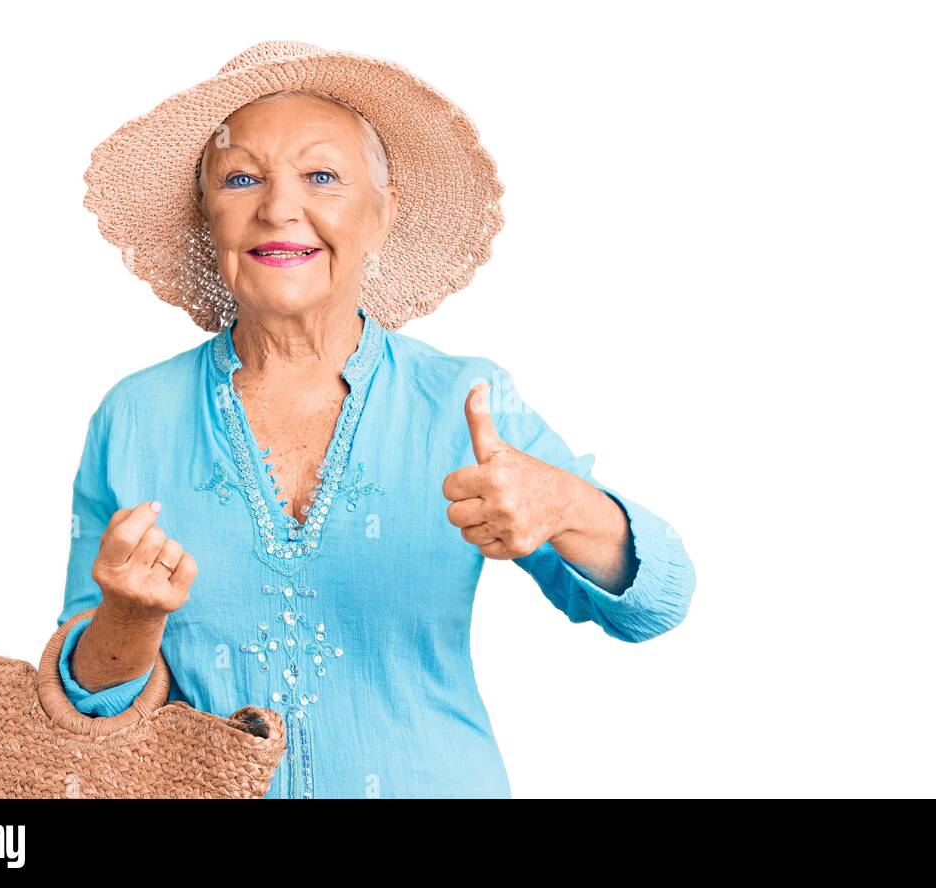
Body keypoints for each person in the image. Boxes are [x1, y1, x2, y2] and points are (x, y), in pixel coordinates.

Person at [62, 40, 696, 798]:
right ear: (210, 220)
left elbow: (657, 603)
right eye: (241, 179)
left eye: (321, 176)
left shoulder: (465, 401)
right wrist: (128, 620)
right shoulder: (134, 415)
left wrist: (567, 505)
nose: (277, 208)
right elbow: (87, 704)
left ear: (382, 216)